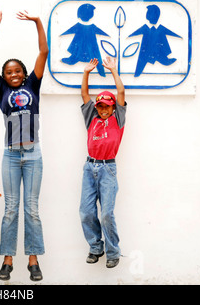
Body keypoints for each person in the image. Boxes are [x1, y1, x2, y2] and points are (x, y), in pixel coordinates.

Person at [0, 4, 48, 281]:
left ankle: (33, 260)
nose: (12, 74)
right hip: (11, 154)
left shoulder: (32, 85)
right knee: (11, 209)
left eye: (16, 71)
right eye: (8, 71)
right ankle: (8, 260)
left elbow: (43, 52)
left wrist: (37, 22)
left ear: (23, 73)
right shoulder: (1, 90)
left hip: (32, 153)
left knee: (31, 209)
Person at [79, 57, 126, 268]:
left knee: (106, 213)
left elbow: (122, 93)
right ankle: (95, 248)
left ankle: (113, 252)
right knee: (87, 211)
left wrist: (113, 71)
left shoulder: (118, 119)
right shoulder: (92, 118)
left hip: (108, 168)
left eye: (107, 106)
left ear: (113, 107)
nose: (103, 110)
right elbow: (84, 95)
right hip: (90, 167)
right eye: (100, 106)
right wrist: (86, 72)